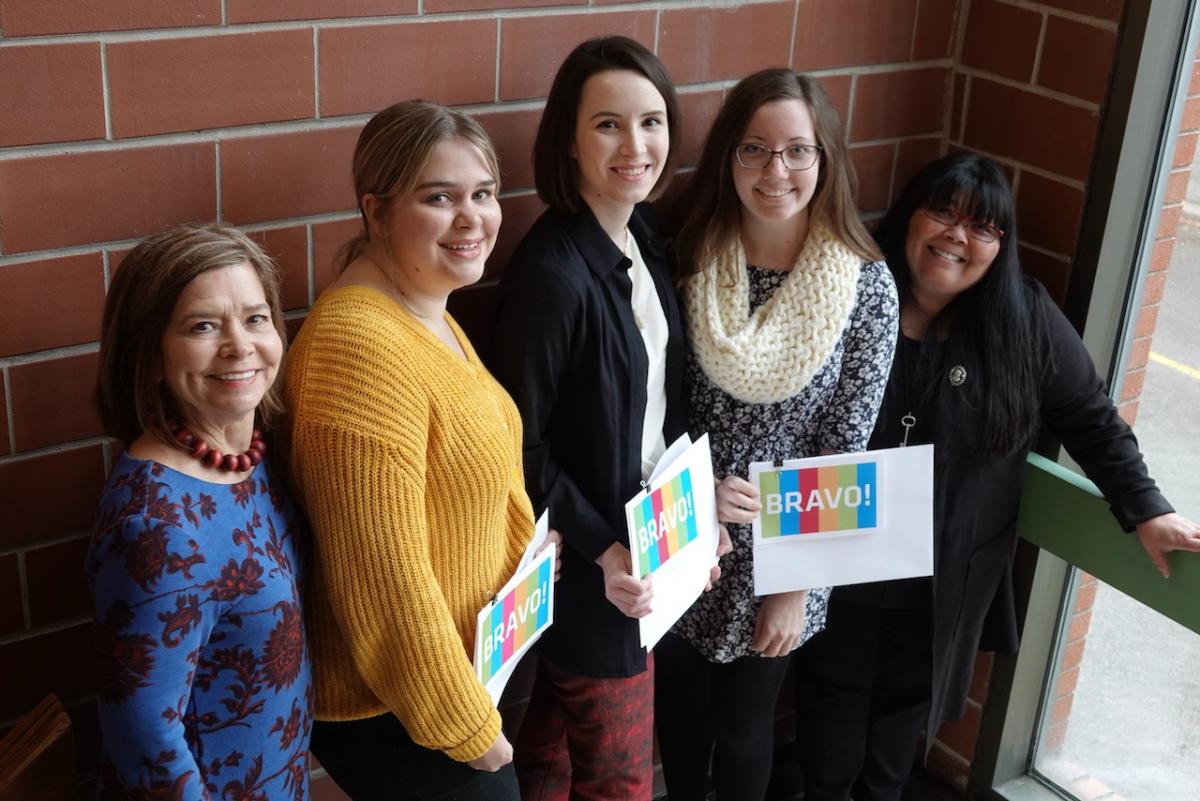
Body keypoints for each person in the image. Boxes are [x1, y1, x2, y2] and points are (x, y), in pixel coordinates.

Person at [793, 152, 1200, 801]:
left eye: (980, 226)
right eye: (943, 213)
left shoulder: (1024, 318)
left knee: (897, 739)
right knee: (826, 716)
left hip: (939, 578)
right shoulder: (851, 290)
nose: (957, 235)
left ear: (998, 245)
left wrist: (1147, 508)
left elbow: (1092, 419)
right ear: (910, 216)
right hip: (838, 554)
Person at [283, 100, 551, 801]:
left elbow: (485, 463)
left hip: (462, 673)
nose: (472, 219)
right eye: (440, 197)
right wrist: (464, 724)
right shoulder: (359, 348)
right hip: (401, 708)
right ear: (376, 211)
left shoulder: (427, 310)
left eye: (483, 194)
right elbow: (383, 576)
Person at [650, 69, 899, 801]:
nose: (776, 171)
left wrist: (794, 585)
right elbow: (657, 403)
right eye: (754, 149)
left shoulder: (864, 286)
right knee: (680, 714)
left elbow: (845, 445)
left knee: (746, 727)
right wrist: (689, 494)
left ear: (825, 160)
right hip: (686, 524)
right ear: (728, 157)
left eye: (797, 150)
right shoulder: (689, 253)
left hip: (786, 548)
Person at [488, 36, 716, 801]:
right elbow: (518, 444)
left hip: (645, 547)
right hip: (594, 574)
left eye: (651, 122)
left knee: (549, 748)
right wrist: (606, 550)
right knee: (620, 781)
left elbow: (655, 416)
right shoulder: (552, 275)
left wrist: (693, 524)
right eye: (608, 125)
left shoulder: (641, 238)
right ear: (569, 140)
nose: (636, 144)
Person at [88, 223, 311, 801]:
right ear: (152, 354)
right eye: (203, 326)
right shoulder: (155, 527)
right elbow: (145, 739)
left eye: (256, 318)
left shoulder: (250, 455)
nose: (240, 345)